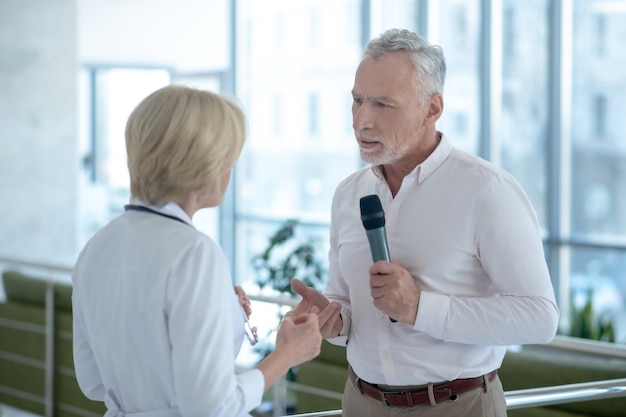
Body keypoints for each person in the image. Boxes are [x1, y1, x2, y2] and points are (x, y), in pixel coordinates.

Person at [291, 28, 560, 417]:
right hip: (359, 402)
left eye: (383, 104)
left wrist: (420, 308)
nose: (362, 120)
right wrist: (332, 321)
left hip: (457, 406)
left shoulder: (487, 191)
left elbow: (540, 319)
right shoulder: (347, 194)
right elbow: (345, 304)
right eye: (357, 100)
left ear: (432, 108)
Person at [71, 85, 327, 417]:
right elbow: (212, 407)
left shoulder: (96, 247)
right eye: (228, 158)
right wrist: (287, 355)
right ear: (202, 164)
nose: (230, 172)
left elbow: (92, 382)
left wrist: (221, 318)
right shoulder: (194, 253)